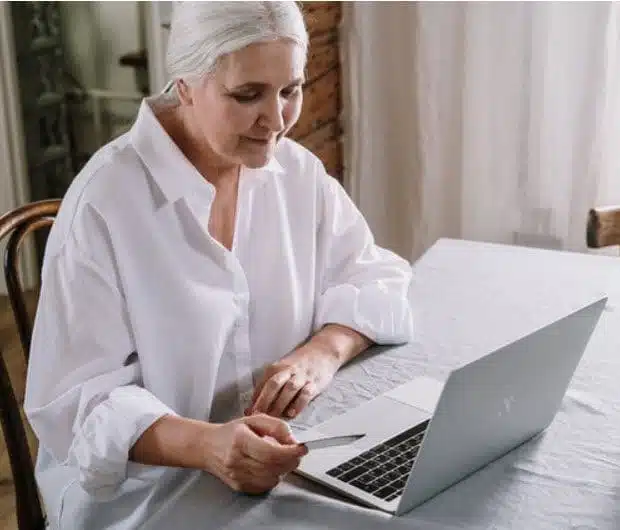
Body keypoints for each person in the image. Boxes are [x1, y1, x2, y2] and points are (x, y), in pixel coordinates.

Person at [23, 2, 413, 529]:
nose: (276, 121)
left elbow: (375, 276)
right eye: (247, 94)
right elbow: (77, 407)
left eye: (290, 90)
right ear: (184, 85)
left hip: (278, 472)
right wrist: (208, 446)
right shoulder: (104, 203)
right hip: (142, 498)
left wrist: (322, 352)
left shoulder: (296, 173)